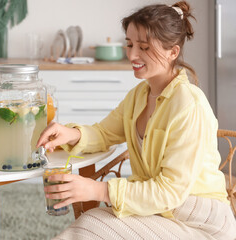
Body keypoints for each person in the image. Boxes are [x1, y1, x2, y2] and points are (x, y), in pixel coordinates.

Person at [36, 1, 236, 239]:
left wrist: (97, 189)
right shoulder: (139, 96)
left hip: (199, 221)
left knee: (88, 230)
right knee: (90, 223)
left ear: (173, 52)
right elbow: (104, 133)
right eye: (129, 44)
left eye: (144, 47)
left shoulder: (188, 104)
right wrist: (73, 134)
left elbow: (170, 191)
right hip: (158, 210)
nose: (132, 55)